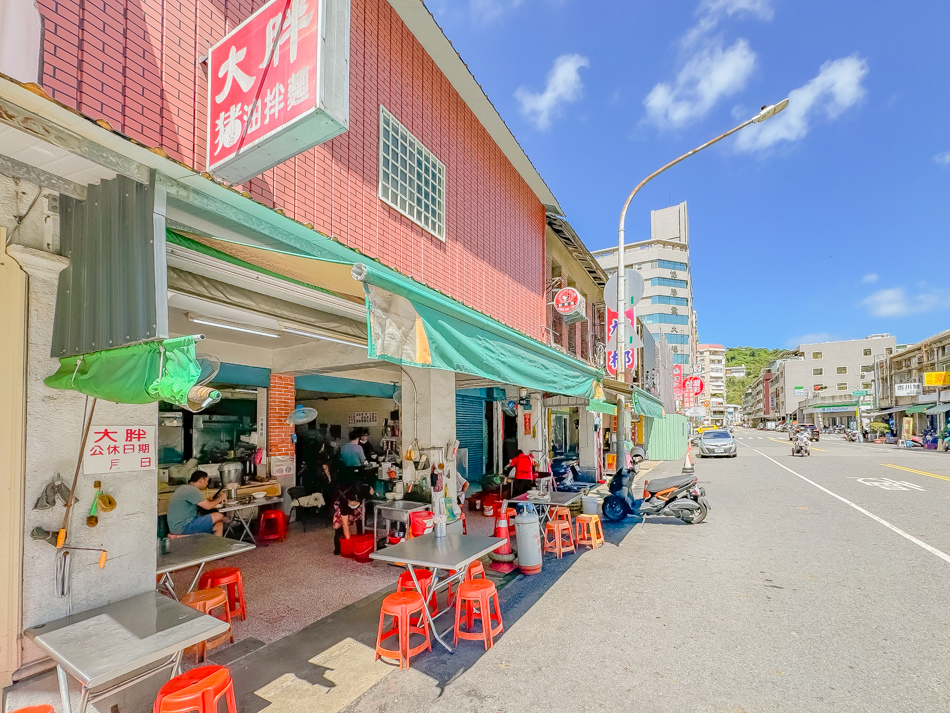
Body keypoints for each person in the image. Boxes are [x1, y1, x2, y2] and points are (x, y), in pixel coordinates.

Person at [167, 470, 228, 536]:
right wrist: (221, 498)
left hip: (176, 527)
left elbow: (201, 503)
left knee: (219, 525)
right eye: (206, 481)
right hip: (183, 527)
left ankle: (216, 546)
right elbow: (208, 506)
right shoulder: (193, 490)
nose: (207, 484)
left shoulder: (184, 488)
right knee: (218, 515)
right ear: (201, 480)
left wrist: (209, 499)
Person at [332, 485, 367, 555]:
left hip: (354, 515)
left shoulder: (361, 505)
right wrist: (349, 543)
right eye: (351, 502)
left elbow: (362, 520)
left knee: (360, 527)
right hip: (342, 518)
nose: (353, 503)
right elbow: (345, 525)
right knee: (339, 532)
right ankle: (337, 548)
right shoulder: (343, 506)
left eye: (355, 502)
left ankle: (360, 543)